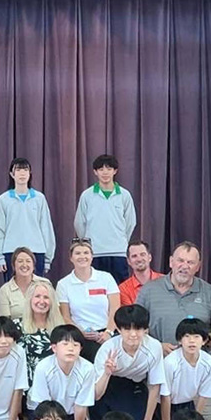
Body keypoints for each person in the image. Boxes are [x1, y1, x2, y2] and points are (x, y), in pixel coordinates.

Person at [90, 305, 166, 420]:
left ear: (146, 329)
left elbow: (155, 385)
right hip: (108, 387)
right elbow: (96, 394)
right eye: (127, 329)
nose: (133, 334)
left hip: (136, 387)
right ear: (118, 330)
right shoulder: (107, 349)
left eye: (138, 329)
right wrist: (107, 373)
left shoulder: (154, 346)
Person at [134, 241, 211, 353]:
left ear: (198, 267)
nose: (184, 266)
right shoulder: (148, 291)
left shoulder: (209, 292)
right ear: (171, 262)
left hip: (198, 366)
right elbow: (134, 329)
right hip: (158, 364)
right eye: (180, 260)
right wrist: (157, 346)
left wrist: (204, 339)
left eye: (190, 262)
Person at [72, 154, 136, 284]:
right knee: (95, 290)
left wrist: (121, 240)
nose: (105, 172)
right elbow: (79, 223)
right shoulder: (87, 195)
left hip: (119, 252)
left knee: (119, 289)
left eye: (109, 169)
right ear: (95, 172)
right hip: (95, 253)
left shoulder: (124, 195)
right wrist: (88, 243)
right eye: (101, 169)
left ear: (115, 171)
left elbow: (130, 222)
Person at [0, 158, 56, 281]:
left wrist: (48, 258)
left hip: (36, 251)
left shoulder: (39, 198)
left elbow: (46, 227)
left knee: (36, 292)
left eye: (25, 170)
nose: (22, 173)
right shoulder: (3, 200)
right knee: (13, 292)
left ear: (30, 174)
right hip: (11, 252)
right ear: (11, 174)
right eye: (18, 170)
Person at [27, 325, 94, 420]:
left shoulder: (87, 368)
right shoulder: (43, 367)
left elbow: (81, 404)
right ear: (54, 348)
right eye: (65, 344)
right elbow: (44, 405)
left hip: (71, 414)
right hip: (43, 412)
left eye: (75, 345)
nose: (71, 349)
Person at [56, 238, 119, 361]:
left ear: (92, 256)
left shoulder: (106, 278)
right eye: (78, 253)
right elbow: (66, 317)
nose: (82, 256)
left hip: (106, 334)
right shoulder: (63, 284)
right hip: (80, 336)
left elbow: (115, 308)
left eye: (86, 253)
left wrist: (108, 332)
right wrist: (81, 333)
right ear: (71, 258)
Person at [157, 318, 211, 420]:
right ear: (179, 340)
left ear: (204, 340)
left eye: (196, 337)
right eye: (187, 336)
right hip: (164, 406)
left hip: (187, 406)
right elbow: (165, 396)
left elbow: (204, 395)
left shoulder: (210, 362)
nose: (192, 341)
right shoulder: (170, 362)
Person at [19, 282, 64, 380]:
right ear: (30, 299)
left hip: (54, 384)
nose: (42, 301)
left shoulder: (61, 329)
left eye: (46, 297)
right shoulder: (17, 327)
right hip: (24, 386)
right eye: (37, 296)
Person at [0, 247, 54, 322]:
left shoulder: (45, 284)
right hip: (15, 332)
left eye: (28, 261)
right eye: (20, 261)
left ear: (33, 266)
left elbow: (54, 313)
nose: (24, 264)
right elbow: (4, 322)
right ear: (13, 266)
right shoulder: (5, 290)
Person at [117, 239, 163, 307]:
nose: (139, 259)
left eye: (142, 254)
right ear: (128, 261)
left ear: (149, 257)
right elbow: (131, 315)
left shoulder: (166, 281)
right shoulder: (123, 289)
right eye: (134, 256)